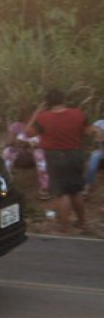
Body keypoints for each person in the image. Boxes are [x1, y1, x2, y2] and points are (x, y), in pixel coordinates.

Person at [26, 89, 93, 234]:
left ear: (47, 102)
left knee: (62, 193)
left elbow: (28, 133)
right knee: (76, 190)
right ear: (64, 99)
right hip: (75, 154)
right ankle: (82, 222)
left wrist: (37, 112)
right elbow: (89, 132)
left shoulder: (43, 117)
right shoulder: (78, 113)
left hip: (55, 156)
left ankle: (64, 228)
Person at [2, 108, 50, 200]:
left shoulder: (40, 126)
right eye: (27, 115)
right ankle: (6, 182)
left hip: (36, 152)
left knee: (40, 154)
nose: (29, 117)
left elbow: (46, 143)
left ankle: (44, 187)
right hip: (20, 153)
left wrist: (30, 144)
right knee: (7, 152)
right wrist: (18, 144)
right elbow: (9, 142)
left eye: (31, 115)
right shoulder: (16, 126)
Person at [83, 119, 104, 195]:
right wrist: (98, 130)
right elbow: (91, 130)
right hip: (102, 152)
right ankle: (88, 184)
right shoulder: (100, 122)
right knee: (94, 155)